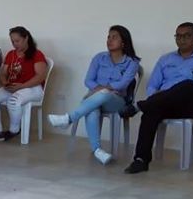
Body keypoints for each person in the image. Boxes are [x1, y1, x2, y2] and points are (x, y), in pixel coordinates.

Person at [123, 22, 193, 174]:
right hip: (164, 104)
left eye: (186, 36)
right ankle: (140, 160)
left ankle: (140, 106)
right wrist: (159, 96)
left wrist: (173, 92)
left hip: (189, 105)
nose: (182, 39)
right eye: (178, 36)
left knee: (188, 85)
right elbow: (152, 86)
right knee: (150, 112)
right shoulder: (165, 59)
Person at [48, 25, 141, 165]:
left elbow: (123, 84)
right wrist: (102, 89)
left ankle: (69, 118)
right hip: (96, 98)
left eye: (114, 37)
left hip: (117, 101)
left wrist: (104, 89)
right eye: (108, 37)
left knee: (103, 94)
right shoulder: (99, 58)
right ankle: (97, 150)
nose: (109, 40)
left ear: (123, 42)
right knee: (92, 109)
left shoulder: (132, 62)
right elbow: (88, 80)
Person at [0, 26, 48, 142]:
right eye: (12, 41)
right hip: (13, 87)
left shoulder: (37, 54)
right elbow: (2, 72)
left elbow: (40, 76)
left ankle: (14, 130)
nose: (14, 44)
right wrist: (5, 83)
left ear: (26, 38)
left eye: (17, 41)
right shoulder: (11, 54)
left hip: (33, 88)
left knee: (13, 100)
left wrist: (22, 86)